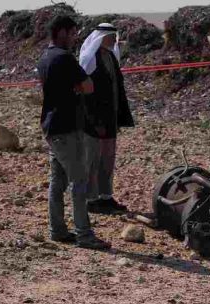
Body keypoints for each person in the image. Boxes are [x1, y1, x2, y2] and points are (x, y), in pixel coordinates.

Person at [37, 15, 111, 250]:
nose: (74, 37)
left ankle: (57, 230)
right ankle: (84, 235)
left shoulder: (45, 58)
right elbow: (88, 86)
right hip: (67, 128)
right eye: (71, 32)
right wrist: (78, 86)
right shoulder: (65, 58)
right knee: (79, 182)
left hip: (51, 127)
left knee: (57, 181)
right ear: (61, 32)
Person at [79, 23, 135, 215]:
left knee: (108, 159)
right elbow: (86, 96)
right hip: (93, 122)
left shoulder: (110, 56)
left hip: (110, 119)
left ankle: (105, 196)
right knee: (92, 160)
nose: (114, 40)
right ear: (100, 38)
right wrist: (96, 121)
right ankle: (91, 199)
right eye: (110, 37)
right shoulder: (90, 59)